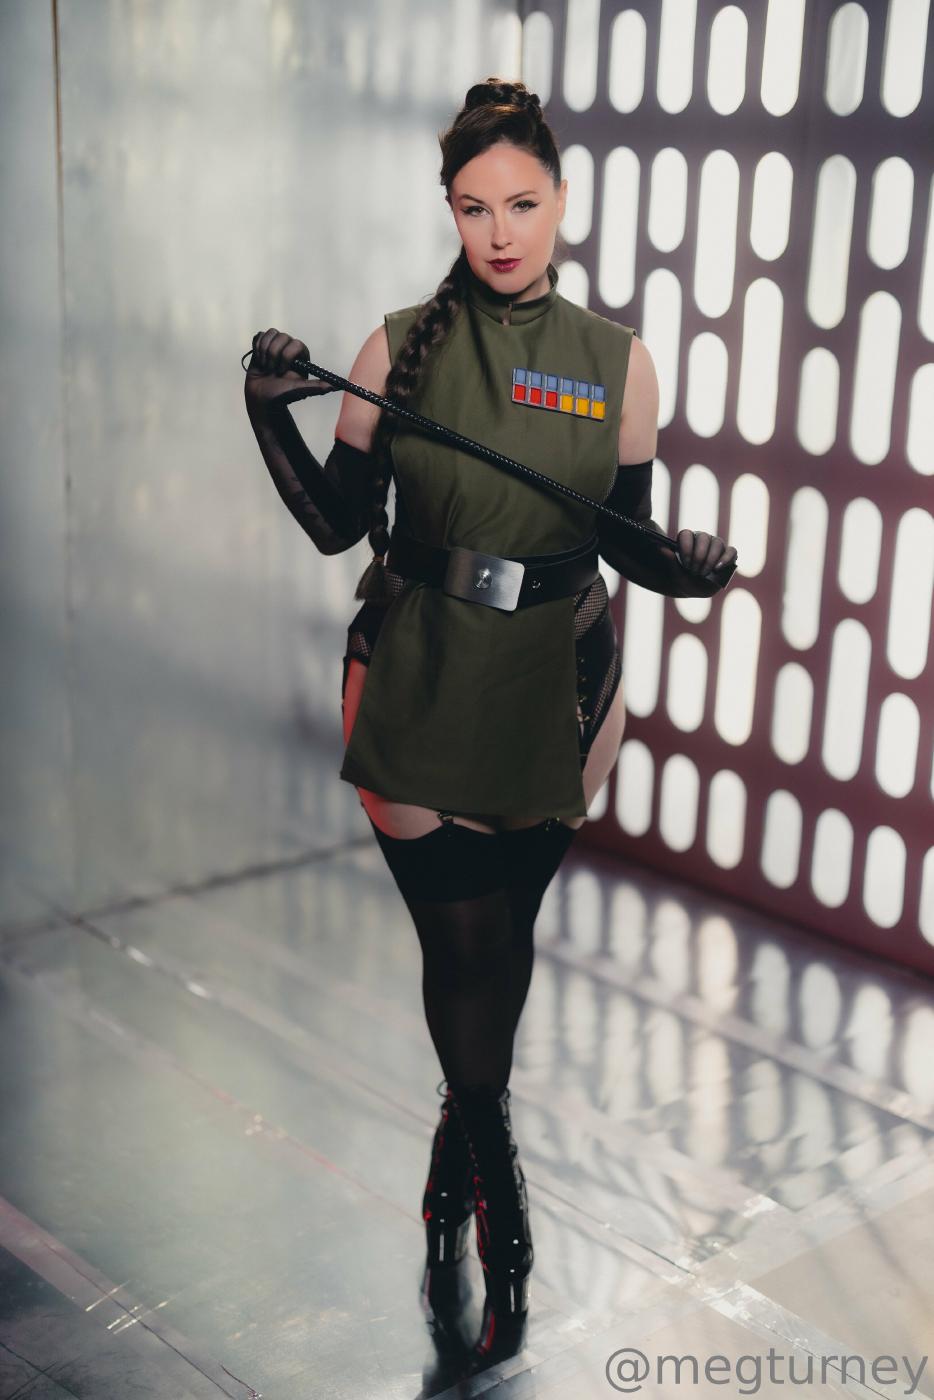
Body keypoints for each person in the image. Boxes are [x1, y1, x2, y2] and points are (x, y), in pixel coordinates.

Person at [243, 77, 737, 1374]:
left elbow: (630, 544)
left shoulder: (618, 361)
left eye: (521, 203)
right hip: (418, 678)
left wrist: (691, 569)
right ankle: (494, 1175)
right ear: (450, 211)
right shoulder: (392, 348)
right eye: (474, 207)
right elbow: (337, 525)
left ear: (560, 199)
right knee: (463, 948)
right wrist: (263, 412)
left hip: (561, 691)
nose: (500, 231)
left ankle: (456, 1148)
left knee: (501, 941)